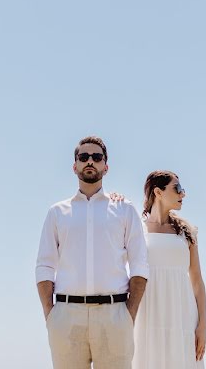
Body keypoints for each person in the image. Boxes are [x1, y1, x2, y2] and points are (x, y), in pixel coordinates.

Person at [36, 136, 149, 369]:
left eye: (97, 157)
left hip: (115, 315)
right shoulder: (57, 213)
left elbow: (139, 264)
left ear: (106, 167)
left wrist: (129, 315)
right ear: (74, 165)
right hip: (66, 317)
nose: (90, 161)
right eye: (83, 157)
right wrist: (51, 315)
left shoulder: (124, 209)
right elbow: (45, 266)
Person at [132, 171, 206, 369]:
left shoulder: (186, 232)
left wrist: (202, 325)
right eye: (178, 189)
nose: (183, 194)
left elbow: (197, 281)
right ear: (158, 192)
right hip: (147, 315)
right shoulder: (136, 230)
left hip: (182, 316)